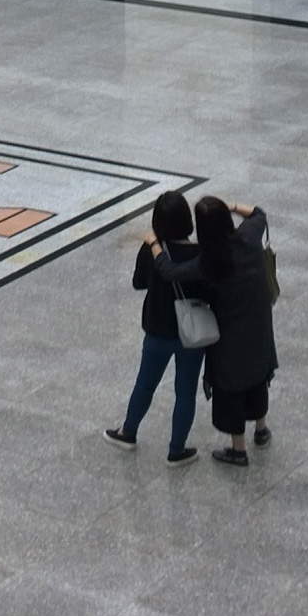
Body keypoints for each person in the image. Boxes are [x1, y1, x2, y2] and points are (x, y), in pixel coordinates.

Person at [154, 195, 275, 468]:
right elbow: (259, 213)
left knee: (232, 386)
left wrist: (153, 244)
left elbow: (170, 271)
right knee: (258, 375)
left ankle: (238, 450)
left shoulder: (209, 260)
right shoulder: (248, 237)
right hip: (259, 323)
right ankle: (261, 429)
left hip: (231, 334)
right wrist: (232, 205)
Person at [104, 191, 204, 465]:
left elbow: (138, 282)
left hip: (157, 330)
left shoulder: (152, 250)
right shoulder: (200, 254)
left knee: (145, 384)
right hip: (191, 334)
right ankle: (176, 449)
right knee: (185, 392)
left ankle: (128, 432)